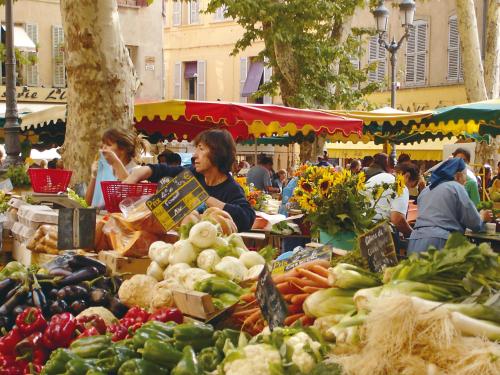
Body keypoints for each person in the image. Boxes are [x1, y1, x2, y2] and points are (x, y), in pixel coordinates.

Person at [124, 129, 256, 232]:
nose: (194, 155)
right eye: (196, 149)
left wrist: (202, 197)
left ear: (218, 153)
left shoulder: (231, 189)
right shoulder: (193, 174)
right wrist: (139, 173)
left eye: (201, 149)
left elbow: (246, 217)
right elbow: (164, 170)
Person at [408, 158, 491, 253]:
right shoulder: (456, 187)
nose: (465, 181)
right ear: (458, 176)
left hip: (415, 241)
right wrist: (482, 218)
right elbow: (474, 223)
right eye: (465, 177)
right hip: (439, 242)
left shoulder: (426, 191)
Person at [86, 128, 148, 207]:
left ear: (122, 149)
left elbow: (134, 199)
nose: (103, 148)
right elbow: (88, 202)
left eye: (108, 145)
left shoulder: (137, 171)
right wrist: (94, 176)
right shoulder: (106, 171)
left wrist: (115, 162)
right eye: (102, 145)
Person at [366, 162, 420, 238]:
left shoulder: (379, 176)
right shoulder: (400, 186)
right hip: (377, 234)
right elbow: (397, 219)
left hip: (360, 226)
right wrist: (412, 234)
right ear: (407, 176)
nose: (408, 189)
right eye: (410, 186)